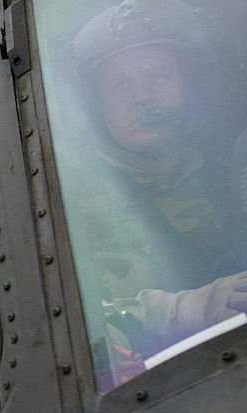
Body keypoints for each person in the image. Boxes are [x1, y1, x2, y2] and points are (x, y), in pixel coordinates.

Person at [64, 0, 247, 387]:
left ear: (185, 87)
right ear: (100, 107)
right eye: (122, 85)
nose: (144, 96)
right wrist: (185, 309)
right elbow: (67, 320)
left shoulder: (228, 163)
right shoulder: (66, 197)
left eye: (159, 77)